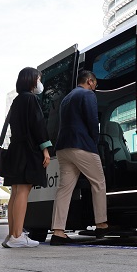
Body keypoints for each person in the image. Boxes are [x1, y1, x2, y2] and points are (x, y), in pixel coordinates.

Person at [50, 70, 108, 245]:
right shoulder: (87, 94)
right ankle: (101, 224)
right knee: (98, 182)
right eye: (95, 84)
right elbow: (92, 120)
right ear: (90, 81)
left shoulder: (66, 99)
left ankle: (58, 231)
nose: (95, 88)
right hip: (81, 145)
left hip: (63, 147)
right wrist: (95, 142)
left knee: (64, 189)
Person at [1, 67, 52, 248]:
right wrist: (45, 150)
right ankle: (17, 236)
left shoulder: (17, 101)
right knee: (23, 191)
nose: (39, 82)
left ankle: (12, 234)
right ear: (31, 80)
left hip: (16, 149)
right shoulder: (31, 99)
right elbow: (38, 126)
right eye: (38, 78)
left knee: (15, 192)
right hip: (28, 151)